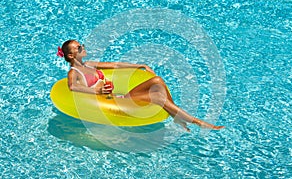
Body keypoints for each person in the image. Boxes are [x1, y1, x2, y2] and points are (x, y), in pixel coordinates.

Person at [57, 39, 224, 131]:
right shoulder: (74, 73)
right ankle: (197, 122)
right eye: (79, 47)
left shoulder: (91, 64)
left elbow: (115, 65)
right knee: (158, 98)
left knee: (157, 81)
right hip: (112, 105)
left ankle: (179, 117)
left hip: (119, 99)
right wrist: (96, 90)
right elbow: (73, 87)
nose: (83, 47)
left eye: (82, 45)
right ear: (71, 55)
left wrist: (140, 66)